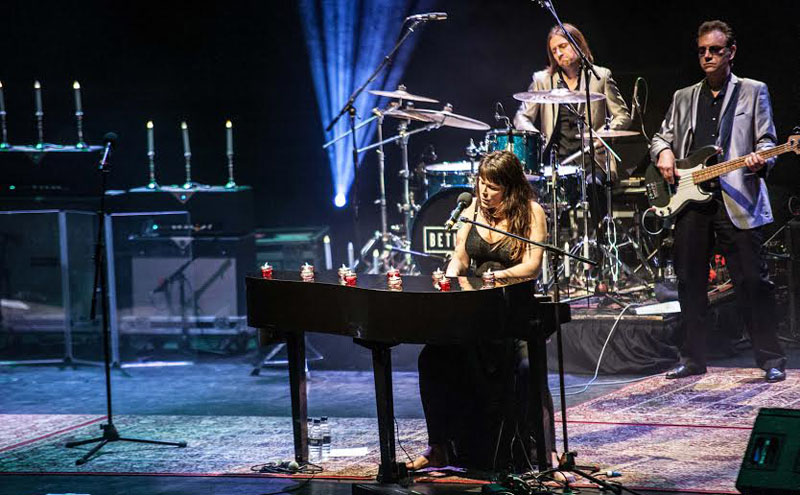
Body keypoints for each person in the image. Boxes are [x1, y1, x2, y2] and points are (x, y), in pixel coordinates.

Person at [649, 20, 786, 383]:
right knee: (689, 281)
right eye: (702, 51)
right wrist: (663, 153)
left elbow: (767, 141)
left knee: (752, 281)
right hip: (692, 200)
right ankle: (693, 358)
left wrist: (761, 159)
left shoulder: (753, 91)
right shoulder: (683, 96)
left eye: (715, 50)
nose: (707, 56)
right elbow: (661, 137)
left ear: (731, 52)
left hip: (736, 196)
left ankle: (770, 358)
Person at [407, 150, 555, 472]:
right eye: (481, 184)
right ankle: (439, 447)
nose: (484, 192)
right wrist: (449, 280)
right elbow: (460, 258)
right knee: (432, 358)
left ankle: (543, 452)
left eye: (493, 187)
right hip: (476, 308)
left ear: (510, 188)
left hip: (514, 308)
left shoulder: (531, 212)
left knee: (528, 367)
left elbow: (532, 266)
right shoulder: (471, 209)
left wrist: (495, 278)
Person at [514, 23, 631, 221]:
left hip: (593, 159)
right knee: (541, 198)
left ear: (578, 44)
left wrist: (603, 135)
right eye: (554, 50)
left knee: (595, 188)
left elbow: (623, 116)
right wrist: (534, 136)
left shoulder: (600, 76)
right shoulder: (543, 80)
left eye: (563, 46)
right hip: (556, 160)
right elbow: (521, 116)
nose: (559, 54)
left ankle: (599, 235)